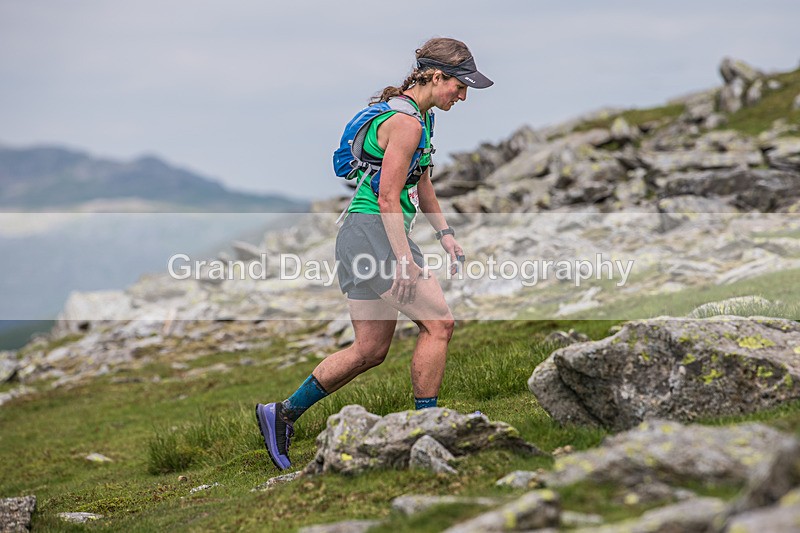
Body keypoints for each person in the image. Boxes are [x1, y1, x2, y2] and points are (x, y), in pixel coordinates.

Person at [256, 37, 493, 471]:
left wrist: (446, 234)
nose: (463, 96)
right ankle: (429, 424)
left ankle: (281, 414)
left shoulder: (419, 118)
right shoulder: (407, 124)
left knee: (369, 350)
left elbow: (421, 183)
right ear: (436, 76)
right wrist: (404, 258)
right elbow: (387, 197)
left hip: (359, 235)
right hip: (374, 234)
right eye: (460, 86)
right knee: (439, 324)